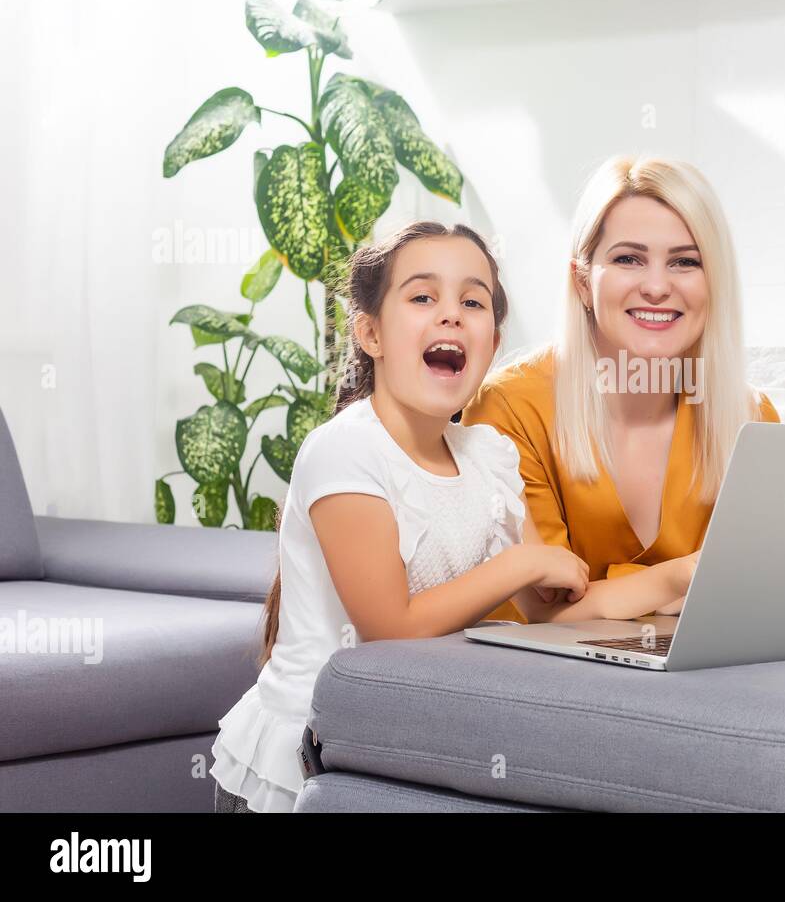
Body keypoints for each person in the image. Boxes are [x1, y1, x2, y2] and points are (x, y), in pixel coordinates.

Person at [210, 221, 591, 812]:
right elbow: (391, 629)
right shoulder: (346, 450)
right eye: (422, 296)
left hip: (404, 746)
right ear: (370, 333)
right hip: (310, 768)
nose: (452, 315)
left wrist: (678, 584)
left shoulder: (488, 456)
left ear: (492, 340)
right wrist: (521, 562)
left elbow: (551, 606)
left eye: (473, 301)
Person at [462, 155, 780, 623]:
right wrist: (681, 580)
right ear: (583, 282)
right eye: (628, 259)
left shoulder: (751, 416)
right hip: (542, 681)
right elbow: (544, 617)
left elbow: (760, 600)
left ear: (714, 284)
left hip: (704, 684)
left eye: (685, 261)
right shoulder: (509, 408)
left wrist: (615, 595)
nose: (656, 286)